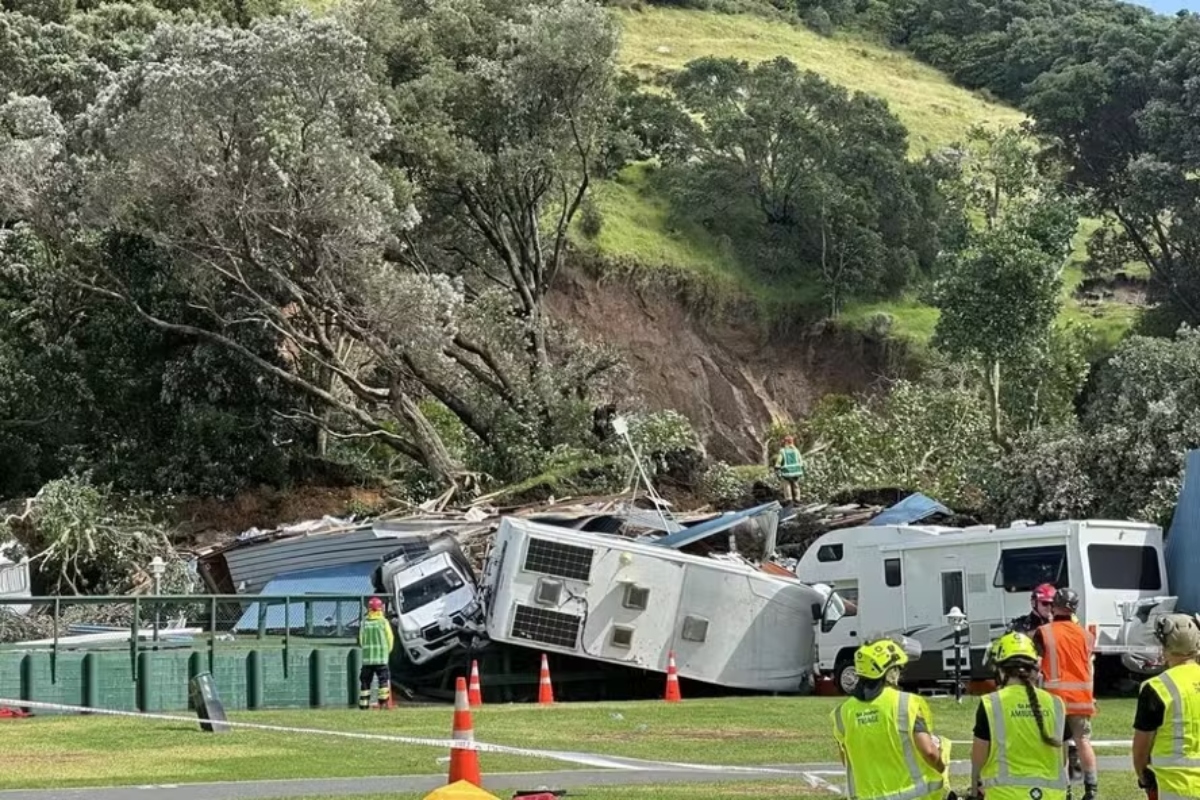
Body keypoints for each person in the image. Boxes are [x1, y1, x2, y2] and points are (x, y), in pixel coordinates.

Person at [831, 637, 948, 800]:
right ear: (889, 672)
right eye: (897, 668)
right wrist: (942, 766)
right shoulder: (907, 703)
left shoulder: (842, 712)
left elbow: (847, 758)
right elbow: (929, 752)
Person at [968, 631, 1068, 800]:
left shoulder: (992, 703)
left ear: (1000, 670)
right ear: (1034, 669)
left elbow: (979, 758)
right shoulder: (1056, 704)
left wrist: (974, 789)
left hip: (1004, 795)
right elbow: (1062, 758)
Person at [1033, 588, 1097, 800]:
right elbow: (1089, 665)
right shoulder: (1086, 636)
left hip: (1054, 699)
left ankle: (1064, 789)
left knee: (1058, 745)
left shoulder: (1044, 632)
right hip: (1082, 699)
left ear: (1054, 606)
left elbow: (1037, 665)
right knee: (1083, 741)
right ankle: (1091, 789)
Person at [1132, 613, 1200, 800]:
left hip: (1175, 788)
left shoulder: (1157, 688)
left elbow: (1140, 751)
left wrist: (1143, 777)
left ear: (1164, 646)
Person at [358, 596, 394, 710]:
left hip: (367, 659)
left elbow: (361, 640)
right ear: (380, 608)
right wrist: (387, 651)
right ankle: (383, 704)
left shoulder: (364, 622)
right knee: (383, 681)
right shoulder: (384, 622)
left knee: (365, 682)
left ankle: (363, 705)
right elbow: (390, 638)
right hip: (382, 658)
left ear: (368, 609)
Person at [774, 435, 805, 504]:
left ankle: (789, 499)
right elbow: (800, 460)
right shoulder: (796, 450)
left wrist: (777, 467)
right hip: (796, 471)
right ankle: (797, 498)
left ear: (786, 442)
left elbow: (779, 460)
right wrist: (801, 467)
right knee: (796, 485)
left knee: (787, 485)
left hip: (787, 472)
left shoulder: (783, 451)